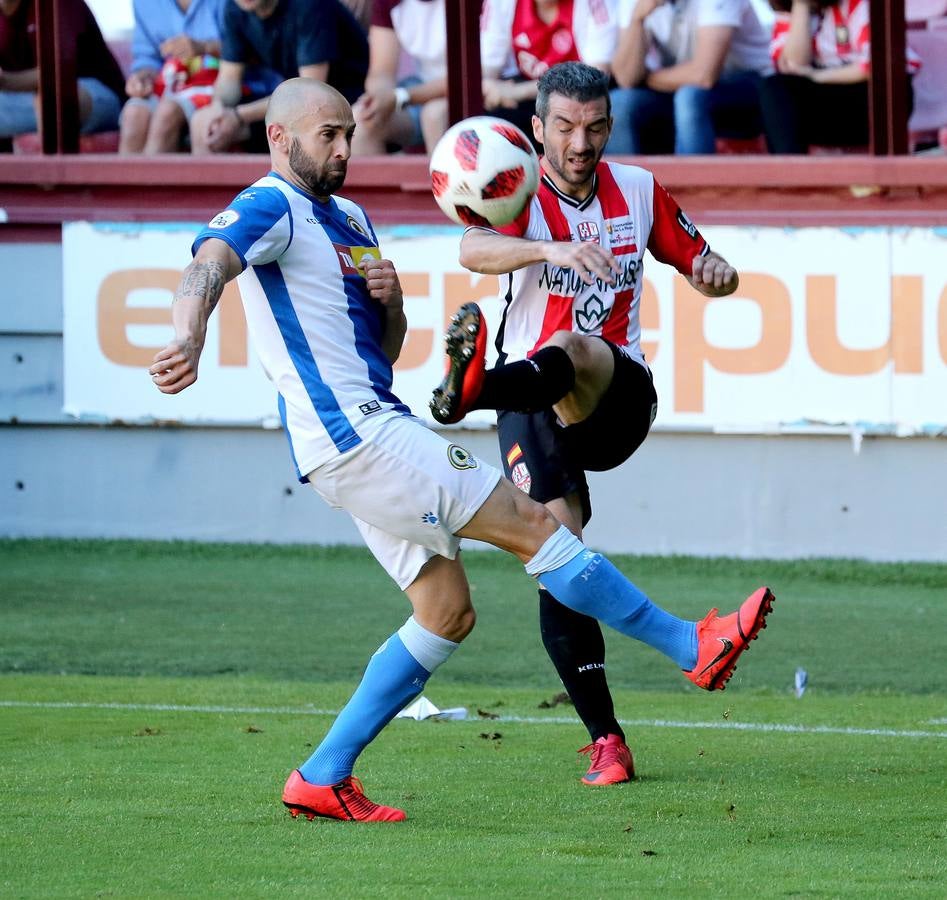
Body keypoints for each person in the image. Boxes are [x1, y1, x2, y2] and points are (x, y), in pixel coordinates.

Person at [150, 76, 774, 822]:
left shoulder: (348, 217)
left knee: (445, 613)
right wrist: (186, 332)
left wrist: (392, 303)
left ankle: (322, 775)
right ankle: (688, 646)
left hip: (361, 426)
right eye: (328, 136)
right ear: (278, 139)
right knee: (541, 529)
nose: (346, 148)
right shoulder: (270, 204)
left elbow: (383, 348)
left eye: (350, 132)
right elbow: (211, 259)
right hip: (359, 434)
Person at [430, 61, 759, 786]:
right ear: (538, 129)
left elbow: (709, 263)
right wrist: (547, 249)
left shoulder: (636, 189)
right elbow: (469, 249)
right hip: (530, 406)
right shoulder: (515, 188)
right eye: (565, 127)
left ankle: (469, 393)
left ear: (609, 126)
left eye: (594, 126)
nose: (580, 142)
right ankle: (607, 742)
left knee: (572, 348)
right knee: (557, 560)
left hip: (615, 396)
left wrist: (716, 275)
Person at [189, 0, 368, 155]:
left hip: (342, 102)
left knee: (300, 123)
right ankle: (219, 196)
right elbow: (229, 78)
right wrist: (218, 110)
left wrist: (239, 116)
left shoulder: (309, 5)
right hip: (294, 104)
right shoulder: (236, 8)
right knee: (204, 122)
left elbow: (309, 91)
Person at [607, 0, 772, 155]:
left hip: (752, 89)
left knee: (689, 97)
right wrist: (637, 19)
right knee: (619, 102)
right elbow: (626, 78)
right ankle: (624, 184)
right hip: (677, 86)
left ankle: (694, 184)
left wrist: (646, 79)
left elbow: (704, 75)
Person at [758, 0, 918, 153]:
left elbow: (879, 63)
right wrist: (801, 6)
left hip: (876, 101)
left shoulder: (861, 4)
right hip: (828, 100)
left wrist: (819, 76)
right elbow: (792, 66)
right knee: (774, 89)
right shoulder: (789, 10)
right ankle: (790, 172)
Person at [479, 0, 618, 149]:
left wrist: (515, 92)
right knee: (485, 117)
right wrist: (489, 89)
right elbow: (485, 70)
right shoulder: (502, 3)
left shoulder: (593, 3)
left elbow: (596, 76)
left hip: (578, 100)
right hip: (523, 97)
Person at [0, 0, 125, 144]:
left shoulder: (57, 4)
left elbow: (61, 71)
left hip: (96, 94)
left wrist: (6, 81)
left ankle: (53, 165)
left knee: (55, 99)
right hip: (24, 98)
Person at [119, 0, 226, 154]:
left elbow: (247, 47)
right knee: (133, 113)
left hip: (220, 84)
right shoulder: (143, 3)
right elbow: (147, 59)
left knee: (167, 112)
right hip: (171, 85)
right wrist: (142, 79)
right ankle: (130, 178)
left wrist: (205, 47)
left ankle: (148, 178)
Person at [351, 0, 451, 156]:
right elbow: (381, 71)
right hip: (421, 85)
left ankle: (440, 180)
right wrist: (380, 96)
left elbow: (470, 78)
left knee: (435, 115)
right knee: (361, 119)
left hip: (479, 89)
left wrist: (400, 96)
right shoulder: (388, 3)